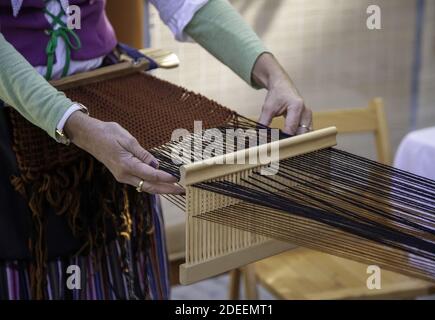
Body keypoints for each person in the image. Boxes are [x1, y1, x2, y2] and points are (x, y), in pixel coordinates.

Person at [0, 0, 312, 299]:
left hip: (111, 98)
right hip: (13, 120)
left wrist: (272, 73)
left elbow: (187, 2)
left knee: (121, 250)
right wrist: (70, 121)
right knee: (35, 260)